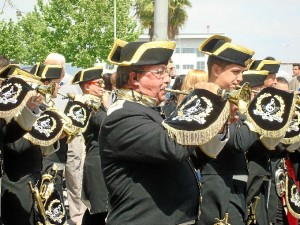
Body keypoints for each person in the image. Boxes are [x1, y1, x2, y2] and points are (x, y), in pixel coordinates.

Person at [99, 38, 232, 225]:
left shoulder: (148, 111)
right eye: (159, 72)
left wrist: (219, 124)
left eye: (167, 72)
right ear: (134, 78)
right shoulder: (122, 117)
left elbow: (192, 158)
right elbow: (173, 147)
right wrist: (203, 101)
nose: (168, 79)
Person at [195, 35, 260, 225]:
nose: (240, 78)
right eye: (235, 72)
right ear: (216, 69)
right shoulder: (204, 101)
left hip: (234, 187)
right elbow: (237, 141)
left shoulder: (229, 100)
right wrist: (263, 118)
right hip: (215, 195)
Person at [1, 65, 63, 225]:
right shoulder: (9, 109)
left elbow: (38, 147)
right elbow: (15, 145)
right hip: (17, 180)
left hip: (32, 176)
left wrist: (52, 136)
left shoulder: (32, 107)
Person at [43, 53, 86, 225]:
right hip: (50, 136)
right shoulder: (43, 81)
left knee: (74, 176)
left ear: (63, 68)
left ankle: (78, 217)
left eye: (55, 67)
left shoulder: (72, 84)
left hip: (71, 136)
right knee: (53, 178)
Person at [70, 67, 109, 225]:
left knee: (100, 211)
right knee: (99, 211)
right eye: (99, 83)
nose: (103, 86)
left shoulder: (96, 104)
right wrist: (107, 106)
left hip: (101, 161)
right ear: (87, 86)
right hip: (97, 162)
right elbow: (106, 123)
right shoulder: (88, 104)